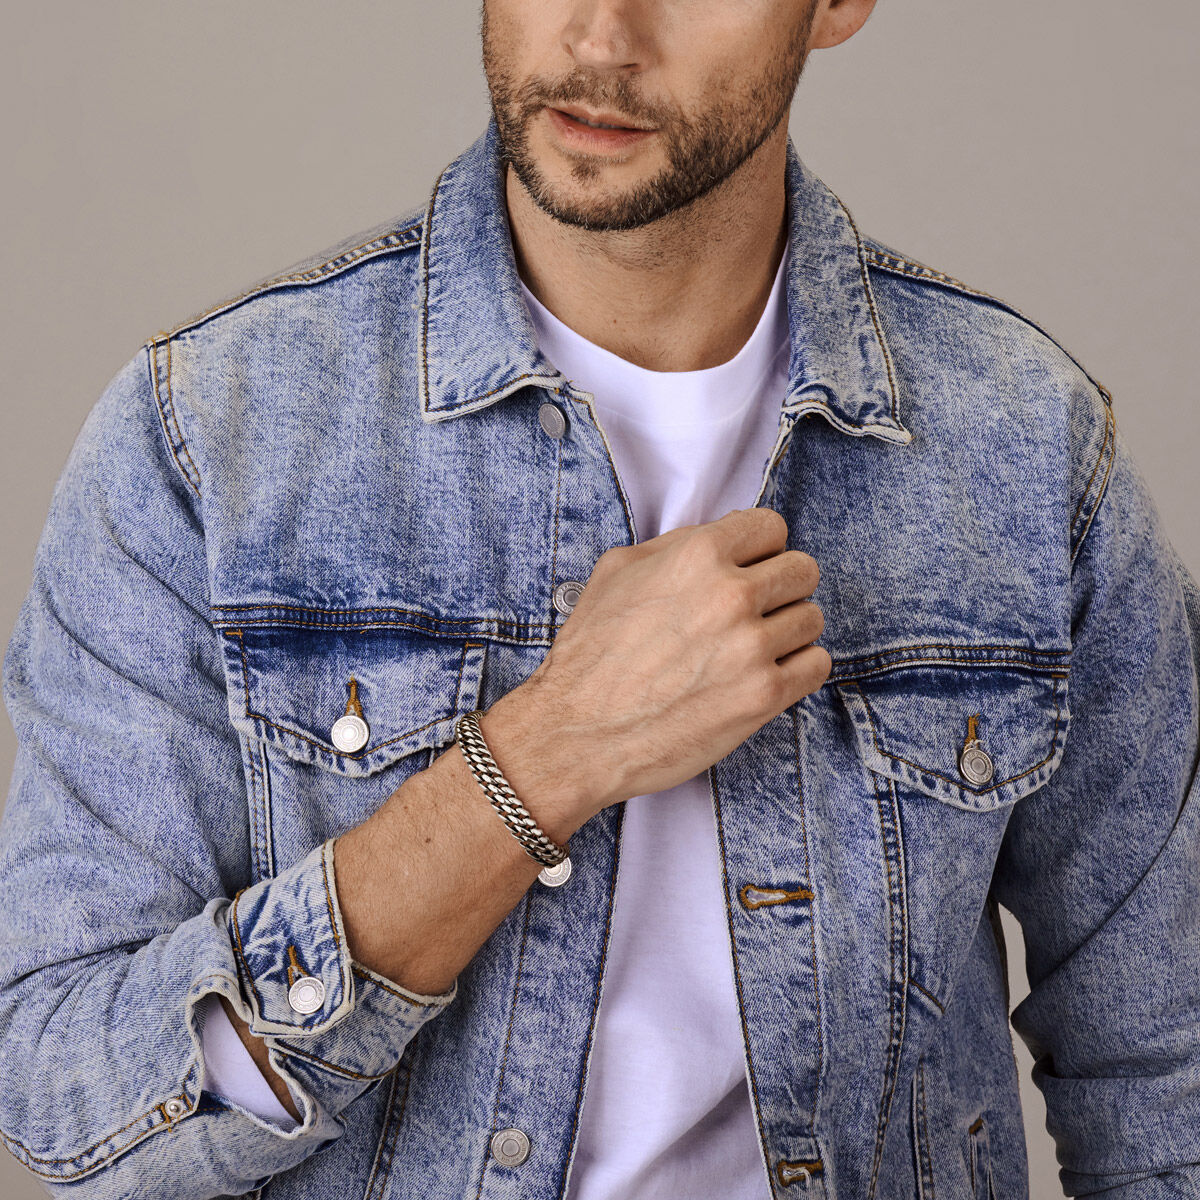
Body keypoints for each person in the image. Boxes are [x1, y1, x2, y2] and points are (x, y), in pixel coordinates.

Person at [2, 0, 1198, 1196]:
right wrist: (543, 758)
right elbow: (71, 1103)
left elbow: (1168, 1080)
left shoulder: (1022, 445)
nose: (598, 33)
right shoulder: (213, 434)